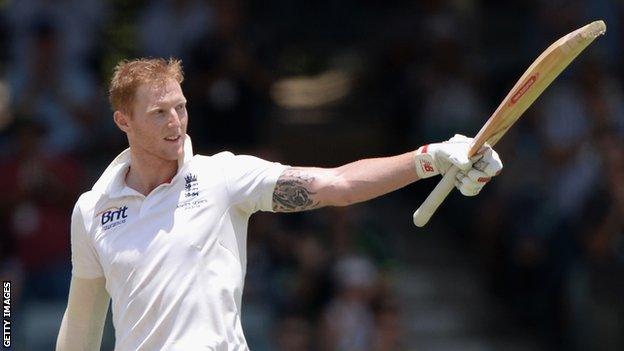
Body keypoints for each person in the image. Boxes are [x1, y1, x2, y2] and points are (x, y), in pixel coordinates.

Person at [55, 58, 502, 350]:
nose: (176, 123)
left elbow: (339, 184)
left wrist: (430, 158)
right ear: (123, 120)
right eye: (159, 113)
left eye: (181, 107)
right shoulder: (92, 210)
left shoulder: (221, 177)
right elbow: (82, 326)